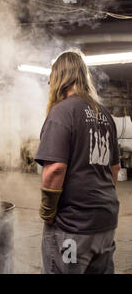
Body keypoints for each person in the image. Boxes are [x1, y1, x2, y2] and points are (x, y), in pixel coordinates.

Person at [35, 51, 121, 274]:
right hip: (105, 222)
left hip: (73, 227)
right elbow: (114, 168)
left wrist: (48, 211)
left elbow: (55, 169)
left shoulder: (62, 112)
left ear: (59, 78)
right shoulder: (104, 114)